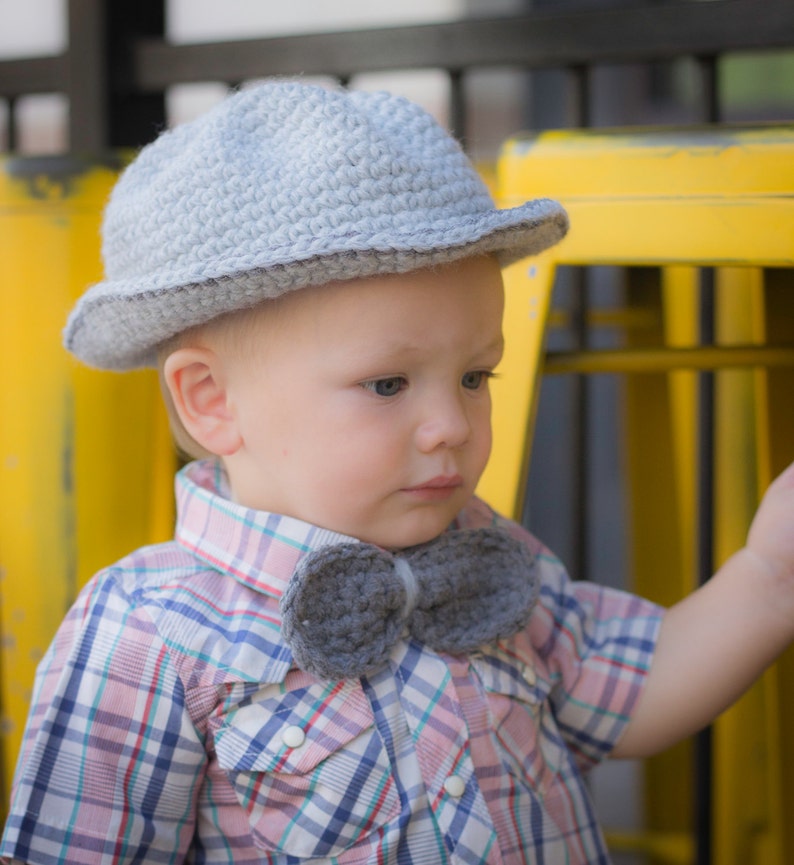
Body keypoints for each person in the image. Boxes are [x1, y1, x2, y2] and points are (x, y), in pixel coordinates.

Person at [2, 81, 793, 865]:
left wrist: (768, 576)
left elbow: (627, 697)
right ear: (211, 401)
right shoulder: (149, 633)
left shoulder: (485, 554)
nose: (452, 425)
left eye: (476, 377)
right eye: (387, 384)